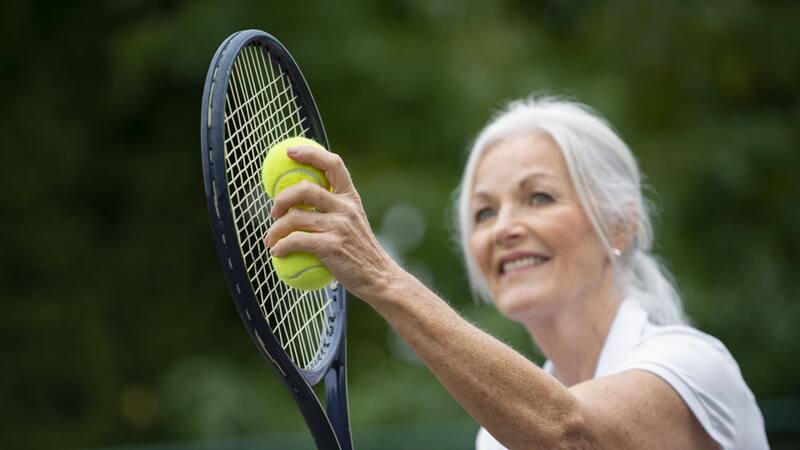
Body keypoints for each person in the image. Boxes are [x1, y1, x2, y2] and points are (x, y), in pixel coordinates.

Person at [265, 97, 769, 449]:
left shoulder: (694, 366)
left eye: (539, 197)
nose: (504, 227)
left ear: (621, 224)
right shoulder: (497, 438)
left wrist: (380, 276)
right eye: (484, 212)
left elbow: (570, 435)